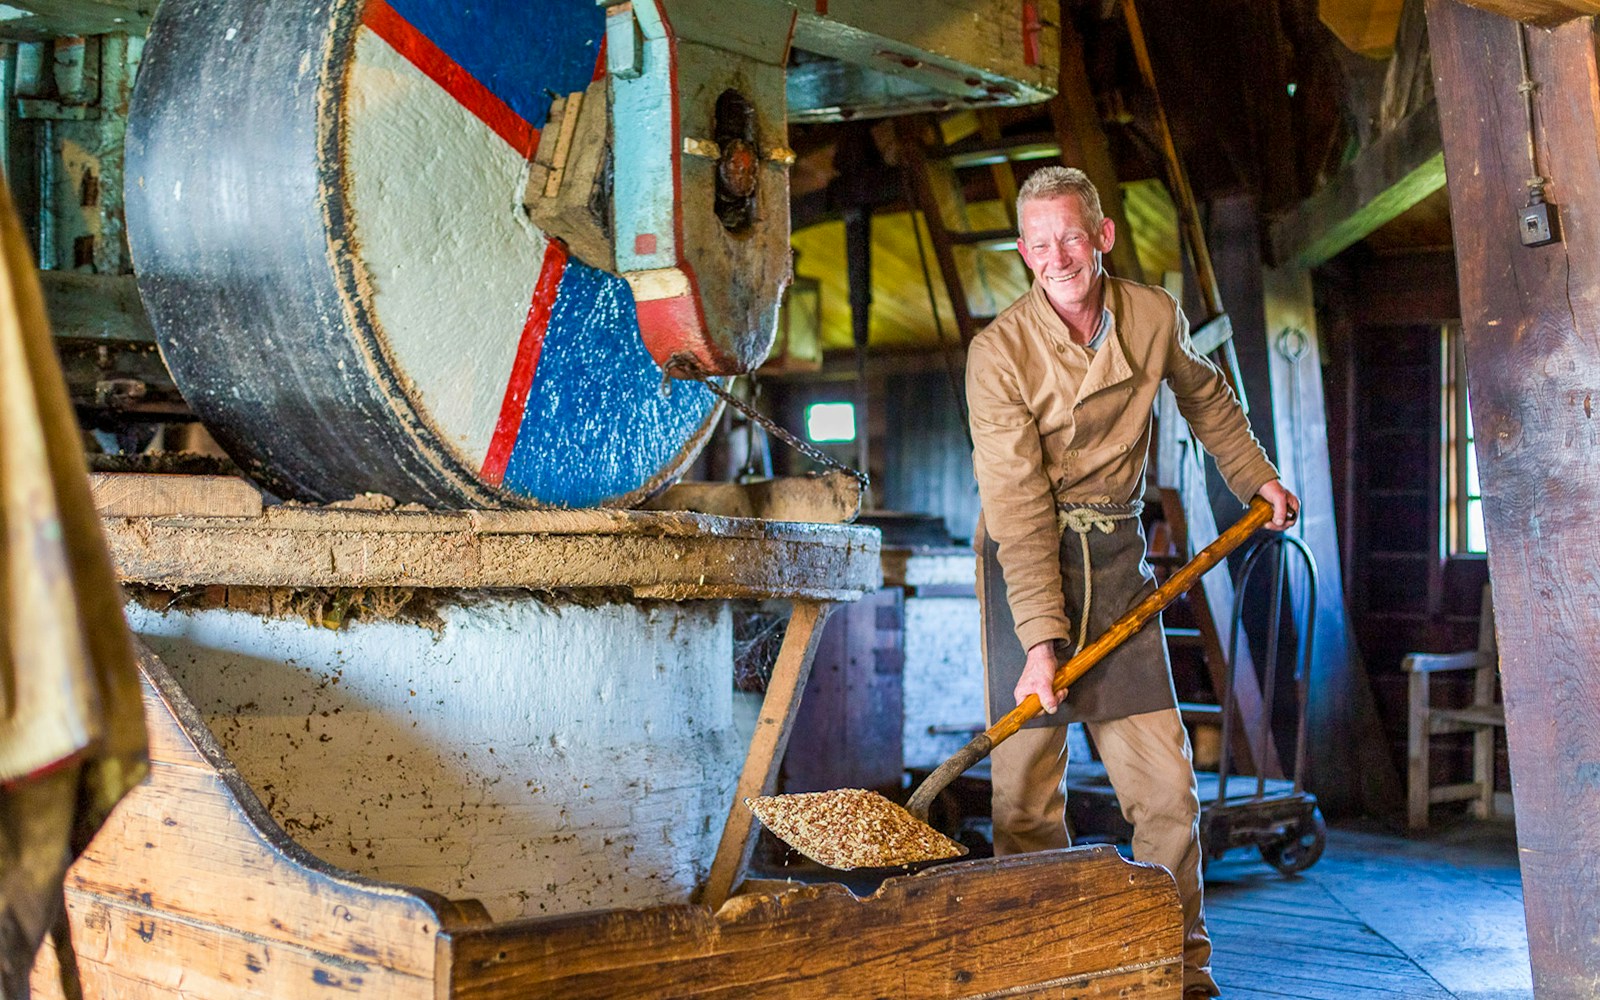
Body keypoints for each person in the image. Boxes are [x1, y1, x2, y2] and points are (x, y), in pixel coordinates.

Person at [965, 165, 1297, 1000]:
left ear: (1102, 235)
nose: (1059, 257)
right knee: (1025, 798)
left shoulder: (1152, 315)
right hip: (1024, 565)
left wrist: (1257, 477)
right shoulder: (997, 353)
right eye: (1040, 244)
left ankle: (1177, 969)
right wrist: (1040, 647)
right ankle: (1035, 972)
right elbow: (1018, 508)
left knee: (1167, 794)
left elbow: (1207, 398)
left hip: (1117, 562)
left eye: (1072, 236)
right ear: (1022, 253)